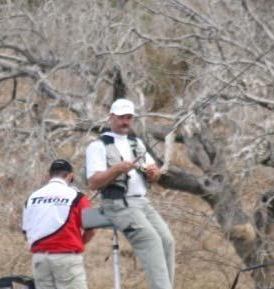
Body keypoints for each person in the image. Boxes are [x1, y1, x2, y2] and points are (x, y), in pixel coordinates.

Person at [85, 99, 174, 289]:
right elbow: (93, 183)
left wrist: (154, 174)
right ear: (111, 117)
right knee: (152, 241)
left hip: (142, 203)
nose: (125, 122)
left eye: (128, 117)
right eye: (121, 117)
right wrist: (117, 169)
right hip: (118, 204)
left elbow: (155, 176)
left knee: (167, 240)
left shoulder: (137, 143)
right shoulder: (98, 146)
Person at [22, 159, 96, 289]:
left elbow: (26, 231)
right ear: (70, 176)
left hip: (40, 259)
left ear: (48, 175)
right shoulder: (77, 197)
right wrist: (79, 243)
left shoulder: (32, 197)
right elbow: (91, 229)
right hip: (67, 256)